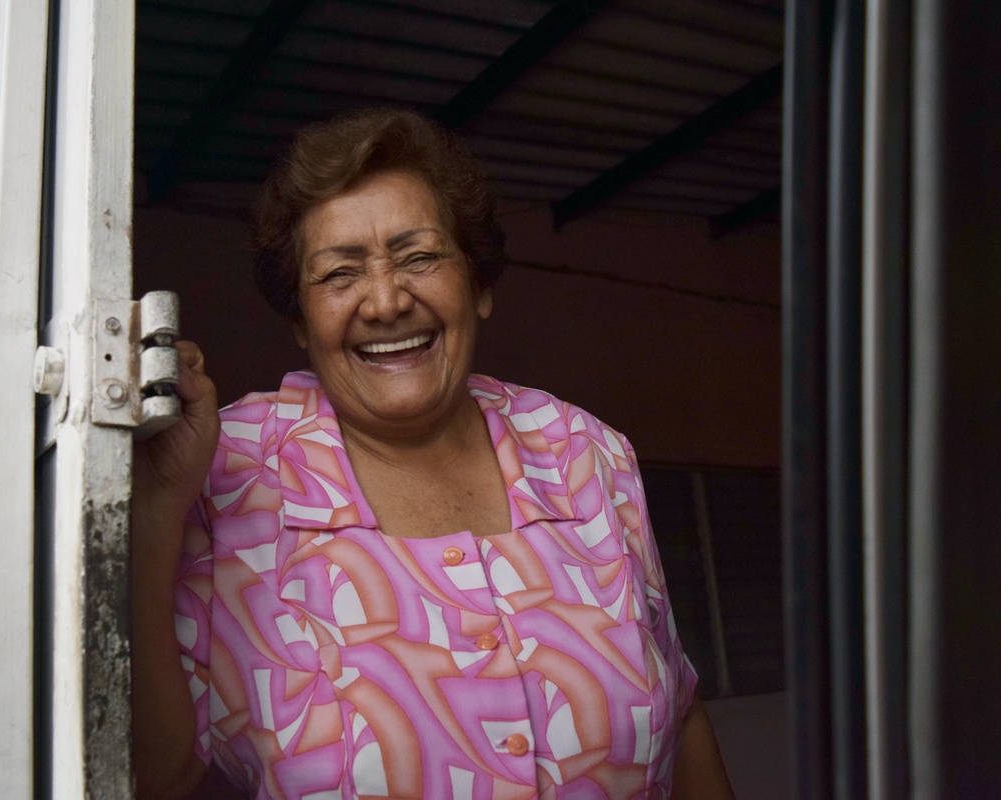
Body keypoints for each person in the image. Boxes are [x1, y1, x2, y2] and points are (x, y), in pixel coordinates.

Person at [132, 109, 733, 800]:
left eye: (418, 257)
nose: (386, 301)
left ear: (477, 285)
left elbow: (679, 714)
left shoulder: (584, 452)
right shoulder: (225, 472)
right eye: (339, 273)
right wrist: (155, 512)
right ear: (300, 320)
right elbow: (156, 771)